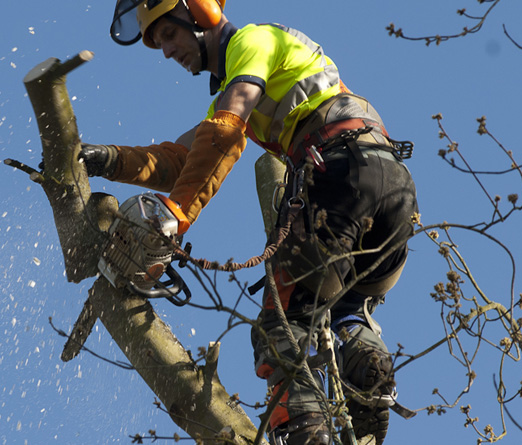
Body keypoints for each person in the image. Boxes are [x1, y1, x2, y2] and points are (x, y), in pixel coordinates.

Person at [78, 1, 419, 443]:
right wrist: (109, 159)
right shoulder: (251, 69)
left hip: (340, 176)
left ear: (198, 16)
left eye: (168, 35)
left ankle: (304, 433)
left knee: (282, 326)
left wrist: (175, 218)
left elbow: (226, 130)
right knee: (344, 311)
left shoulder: (253, 42)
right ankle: (368, 385)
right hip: (393, 188)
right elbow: (184, 157)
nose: (166, 52)